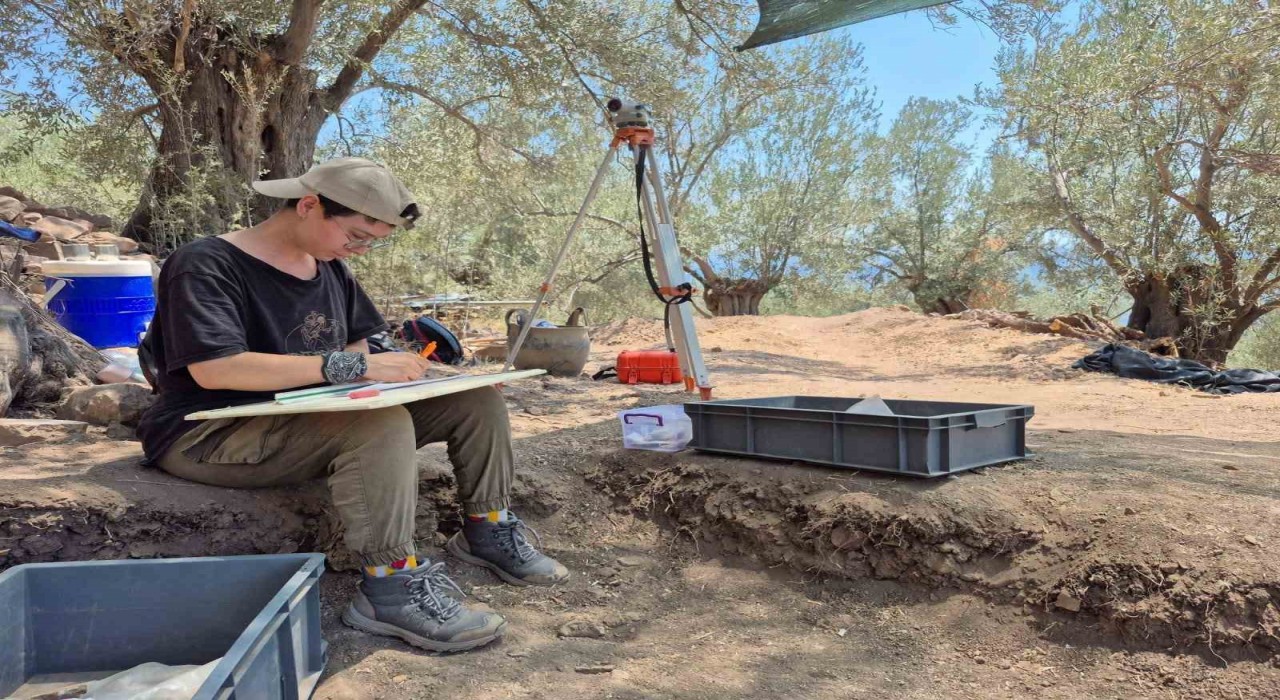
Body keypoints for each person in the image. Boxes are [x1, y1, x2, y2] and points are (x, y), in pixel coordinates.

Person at [137, 157, 568, 653]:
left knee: (474, 400)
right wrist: (348, 371)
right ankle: (388, 588)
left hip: (305, 414)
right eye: (358, 236)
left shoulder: (330, 269)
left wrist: (368, 371)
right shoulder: (206, 263)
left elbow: (360, 344)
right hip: (208, 433)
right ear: (307, 205)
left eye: (373, 242)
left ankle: (487, 532)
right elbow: (218, 370)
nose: (360, 250)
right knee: (378, 426)